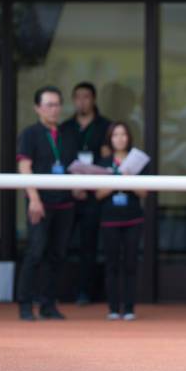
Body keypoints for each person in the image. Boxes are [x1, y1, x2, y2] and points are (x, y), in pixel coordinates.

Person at [16, 86, 79, 321]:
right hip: (40, 203)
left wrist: (78, 188)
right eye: (49, 105)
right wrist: (33, 198)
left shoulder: (67, 135)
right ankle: (24, 304)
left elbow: (73, 167)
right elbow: (24, 168)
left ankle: (48, 303)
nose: (54, 109)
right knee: (35, 251)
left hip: (64, 203)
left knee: (57, 255)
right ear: (37, 108)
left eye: (57, 104)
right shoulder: (30, 134)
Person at [61, 82, 111, 305]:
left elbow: (107, 160)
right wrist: (73, 185)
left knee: (89, 246)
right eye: (78, 97)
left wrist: (90, 184)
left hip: (94, 195)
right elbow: (61, 159)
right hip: (69, 195)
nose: (82, 101)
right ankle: (57, 292)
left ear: (94, 99)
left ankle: (85, 292)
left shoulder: (105, 126)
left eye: (86, 97)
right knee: (60, 243)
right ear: (73, 100)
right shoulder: (65, 128)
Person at [95, 122, 147, 321]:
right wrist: (114, 180)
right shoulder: (103, 162)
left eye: (123, 134)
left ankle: (129, 308)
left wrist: (129, 179)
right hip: (110, 219)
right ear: (110, 138)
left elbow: (144, 192)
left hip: (133, 218)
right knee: (112, 264)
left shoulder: (138, 161)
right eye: (115, 135)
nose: (120, 138)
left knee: (131, 263)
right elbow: (98, 194)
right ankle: (113, 308)